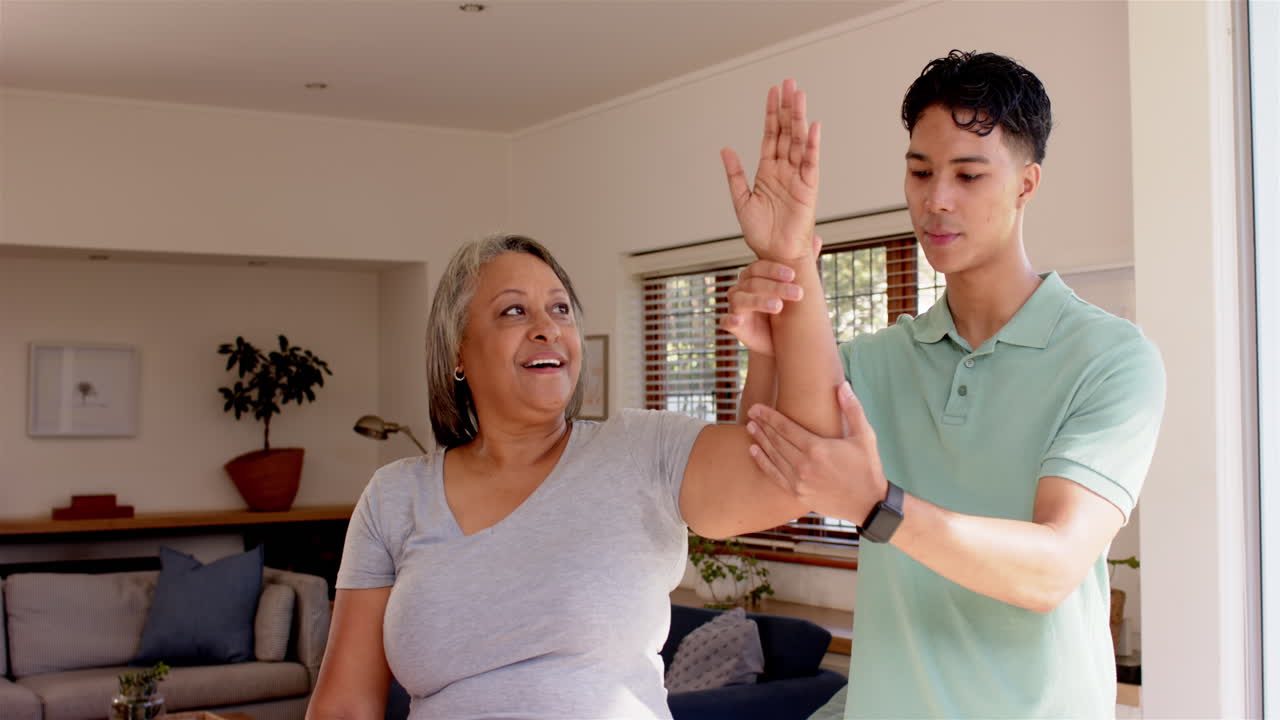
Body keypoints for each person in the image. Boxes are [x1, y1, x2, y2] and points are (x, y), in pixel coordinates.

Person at [305, 80, 846, 720]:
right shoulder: (394, 498)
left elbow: (801, 470)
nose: (548, 327)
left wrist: (791, 263)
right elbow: (344, 704)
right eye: (514, 311)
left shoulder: (642, 451)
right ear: (455, 351)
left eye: (560, 309)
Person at [723, 51, 1166, 718]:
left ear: (1026, 183)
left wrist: (878, 504)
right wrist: (783, 279)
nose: (937, 199)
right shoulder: (877, 362)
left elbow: (1051, 568)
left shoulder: (1109, 357)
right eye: (921, 171)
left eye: (968, 173)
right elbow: (759, 484)